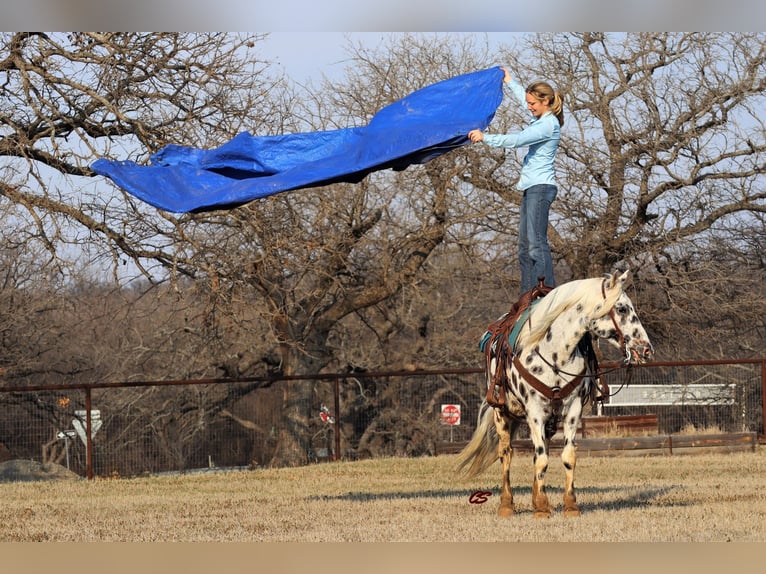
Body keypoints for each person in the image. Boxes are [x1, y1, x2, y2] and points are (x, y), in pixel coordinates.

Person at [469, 67, 564, 293]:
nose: (529, 106)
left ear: (546, 101)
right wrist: (510, 81)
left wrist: (485, 137)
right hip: (531, 188)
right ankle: (527, 294)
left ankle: (544, 290)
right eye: (529, 102)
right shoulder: (541, 116)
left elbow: (519, 139)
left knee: (536, 243)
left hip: (541, 188)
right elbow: (524, 99)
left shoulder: (548, 125)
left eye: (533, 103)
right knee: (523, 247)